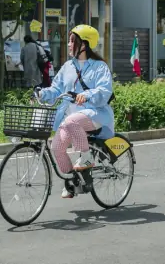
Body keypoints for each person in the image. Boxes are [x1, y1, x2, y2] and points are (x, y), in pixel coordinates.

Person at [36, 24, 114, 199]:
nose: (69, 44)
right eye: (69, 41)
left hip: (96, 115)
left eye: (72, 41)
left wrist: (86, 95)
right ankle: (73, 181)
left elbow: (104, 90)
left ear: (84, 45)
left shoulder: (99, 66)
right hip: (70, 119)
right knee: (56, 147)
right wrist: (42, 93)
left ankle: (86, 157)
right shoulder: (67, 66)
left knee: (72, 121)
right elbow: (56, 89)